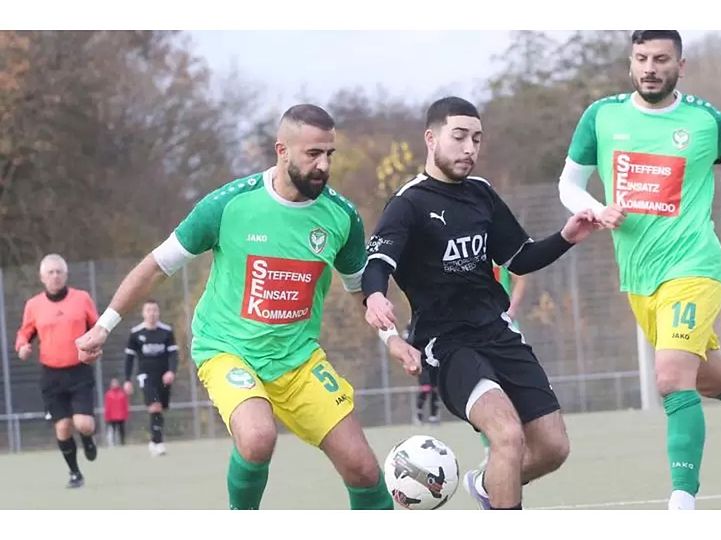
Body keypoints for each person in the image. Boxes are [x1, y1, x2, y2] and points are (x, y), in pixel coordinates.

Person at [77, 104, 420, 510]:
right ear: (282, 150)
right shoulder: (229, 205)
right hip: (227, 350)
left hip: (297, 360)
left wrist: (391, 338)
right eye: (313, 154)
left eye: (330, 154)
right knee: (258, 437)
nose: (324, 165)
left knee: (363, 469)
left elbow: (362, 288)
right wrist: (104, 325)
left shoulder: (341, 217)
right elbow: (156, 267)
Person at [556, 30, 721, 510]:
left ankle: (682, 503)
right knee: (713, 379)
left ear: (681, 66)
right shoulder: (602, 116)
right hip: (640, 278)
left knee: (670, 378)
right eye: (642, 58)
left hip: (694, 267)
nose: (650, 68)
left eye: (661, 59)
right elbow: (569, 185)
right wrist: (596, 208)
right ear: (630, 63)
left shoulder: (705, 121)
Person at [363, 96, 601, 510]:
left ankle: (488, 485)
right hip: (447, 343)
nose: (469, 148)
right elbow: (378, 262)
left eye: (476, 139)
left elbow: (519, 258)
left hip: (497, 332)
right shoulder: (408, 204)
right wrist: (376, 295)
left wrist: (566, 237)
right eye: (459, 137)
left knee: (553, 447)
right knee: (507, 436)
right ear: (431, 138)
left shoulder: (482, 194)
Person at [15, 253, 99, 488]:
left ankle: (88, 439)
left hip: (80, 371)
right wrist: (22, 347)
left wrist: (95, 345)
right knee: (62, 427)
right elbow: (24, 333)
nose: (55, 276)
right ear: (42, 277)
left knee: (84, 424)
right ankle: (75, 473)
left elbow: (97, 327)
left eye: (59, 271)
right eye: (50, 272)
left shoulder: (82, 299)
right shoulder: (34, 305)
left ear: (66, 274)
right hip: (51, 374)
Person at [478, 266, 528, 467]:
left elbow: (520, 277)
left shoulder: (498, 251)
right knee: (483, 390)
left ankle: (522, 443)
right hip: (474, 329)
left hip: (505, 327)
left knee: (517, 389)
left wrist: (512, 309)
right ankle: (489, 449)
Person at [124, 299, 179, 456]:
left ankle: (154, 440)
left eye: (154, 310)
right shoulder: (136, 333)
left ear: (158, 312)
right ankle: (159, 442)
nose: (152, 313)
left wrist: (171, 371)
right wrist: (127, 380)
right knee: (155, 406)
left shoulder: (167, 331)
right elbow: (129, 358)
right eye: (148, 310)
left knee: (161, 407)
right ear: (143, 313)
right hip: (145, 375)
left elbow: (173, 354)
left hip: (163, 376)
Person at [104, 378, 129, 446]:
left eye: (116, 383)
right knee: (113, 430)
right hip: (112, 416)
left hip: (121, 416)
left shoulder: (122, 394)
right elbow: (107, 406)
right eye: (113, 383)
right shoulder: (108, 394)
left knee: (121, 430)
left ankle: (122, 442)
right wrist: (107, 416)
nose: (115, 384)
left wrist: (126, 414)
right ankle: (112, 443)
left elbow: (125, 405)